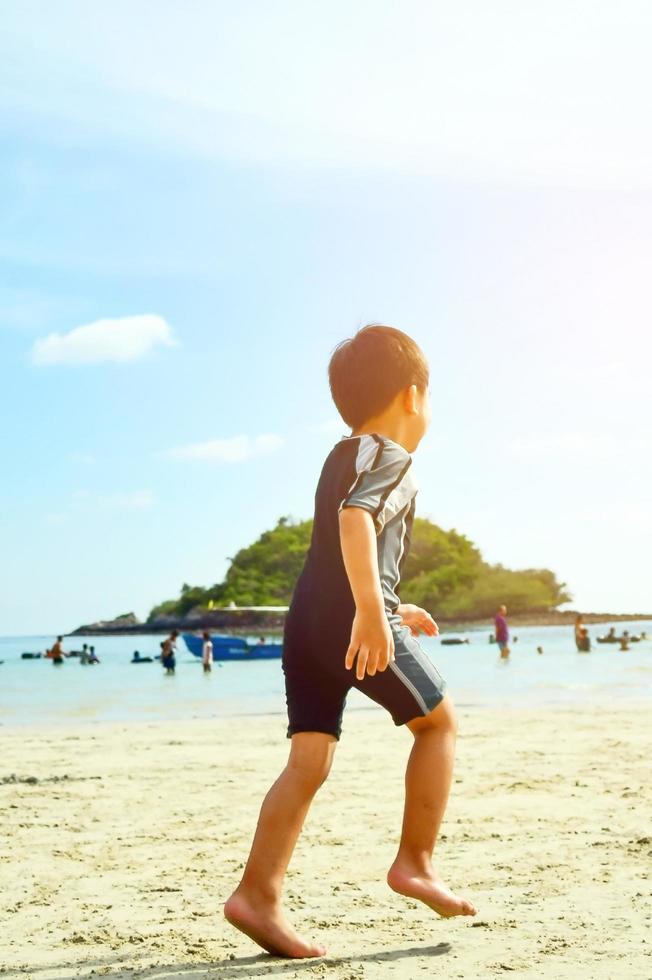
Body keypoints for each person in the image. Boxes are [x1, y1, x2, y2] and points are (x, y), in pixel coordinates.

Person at [224, 324, 476, 959]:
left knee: (308, 763)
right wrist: (371, 613)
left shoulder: (342, 453)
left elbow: (340, 548)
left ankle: (257, 893)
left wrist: (391, 602)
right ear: (414, 395)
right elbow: (355, 518)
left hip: (305, 621)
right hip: (348, 622)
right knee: (438, 726)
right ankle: (415, 863)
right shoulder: (391, 456)